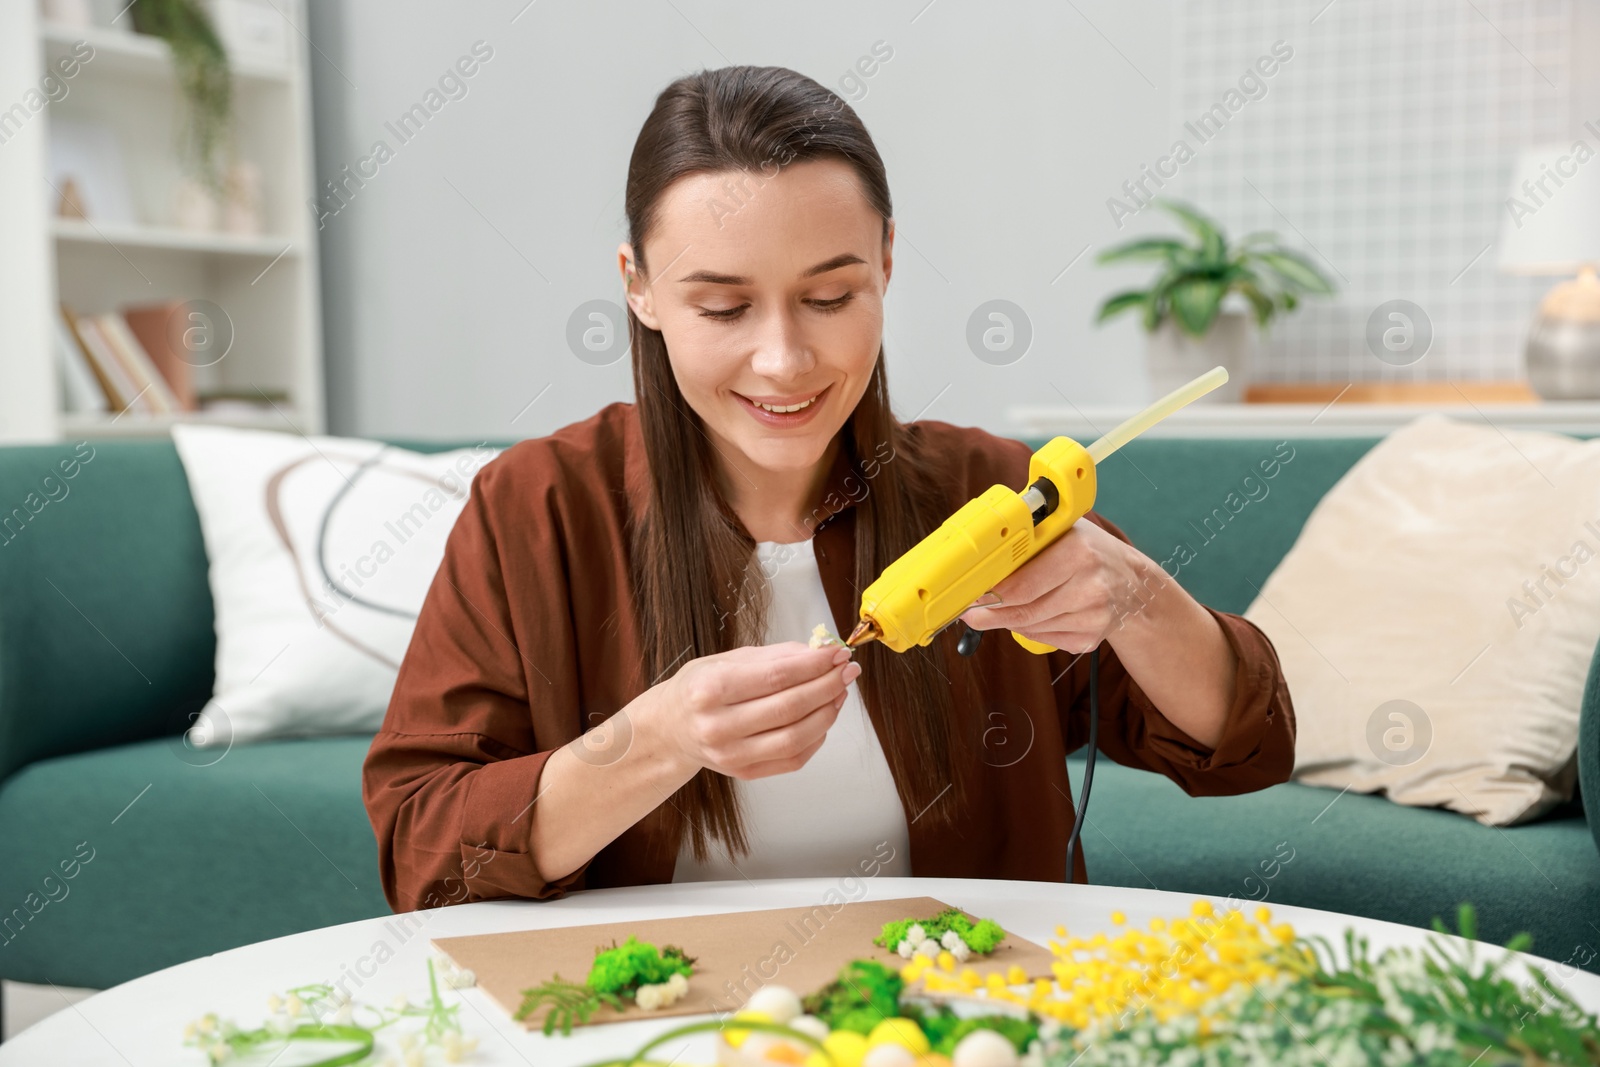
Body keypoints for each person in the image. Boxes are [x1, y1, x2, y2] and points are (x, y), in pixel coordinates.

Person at [362, 65, 1295, 914]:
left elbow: (1247, 747)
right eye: (723, 307)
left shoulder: (993, 495)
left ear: (886, 261)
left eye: (830, 298)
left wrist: (1134, 595)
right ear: (638, 288)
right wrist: (656, 740)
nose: (783, 360)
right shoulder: (536, 506)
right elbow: (425, 854)